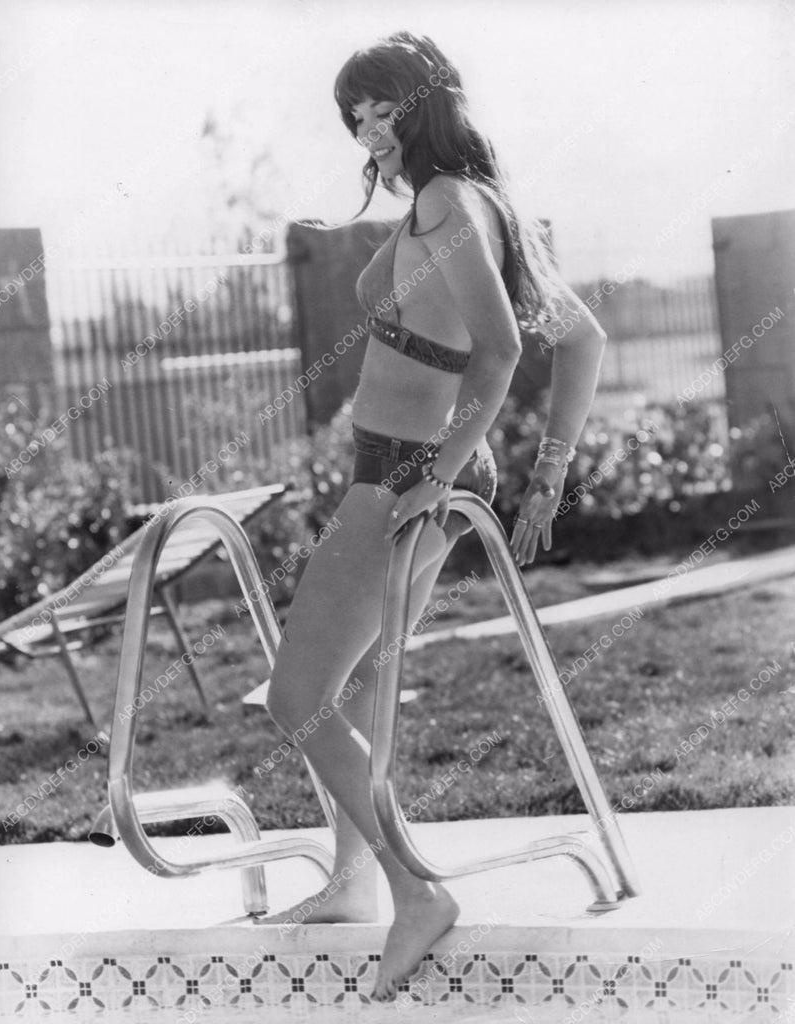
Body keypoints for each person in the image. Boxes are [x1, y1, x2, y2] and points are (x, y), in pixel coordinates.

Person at [263, 30, 607, 1002]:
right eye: (356, 113)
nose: (369, 128)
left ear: (427, 106)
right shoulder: (469, 201)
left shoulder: (450, 203)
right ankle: (350, 879)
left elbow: (499, 354)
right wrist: (541, 480)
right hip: (421, 469)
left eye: (385, 108)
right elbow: (582, 341)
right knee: (359, 682)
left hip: (408, 473)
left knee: (296, 698)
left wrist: (436, 473)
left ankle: (415, 891)